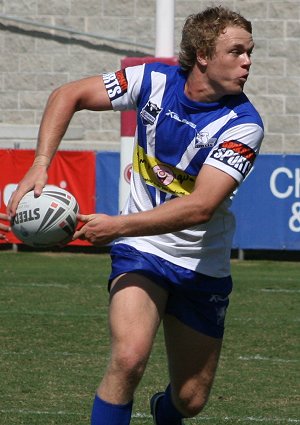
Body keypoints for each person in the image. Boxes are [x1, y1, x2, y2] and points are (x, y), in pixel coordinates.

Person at [7, 5, 264, 425]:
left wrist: (115, 225)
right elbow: (67, 95)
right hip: (141, 250)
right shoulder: (151, 80)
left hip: (200, 263)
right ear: (202, 54)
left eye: (250, 52)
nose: (247, 62)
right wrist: (40, 162)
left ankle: (167, 410)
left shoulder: (244, 125)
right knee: (127, 359)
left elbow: (200, 207)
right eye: (236, 51)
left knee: (190, 400)